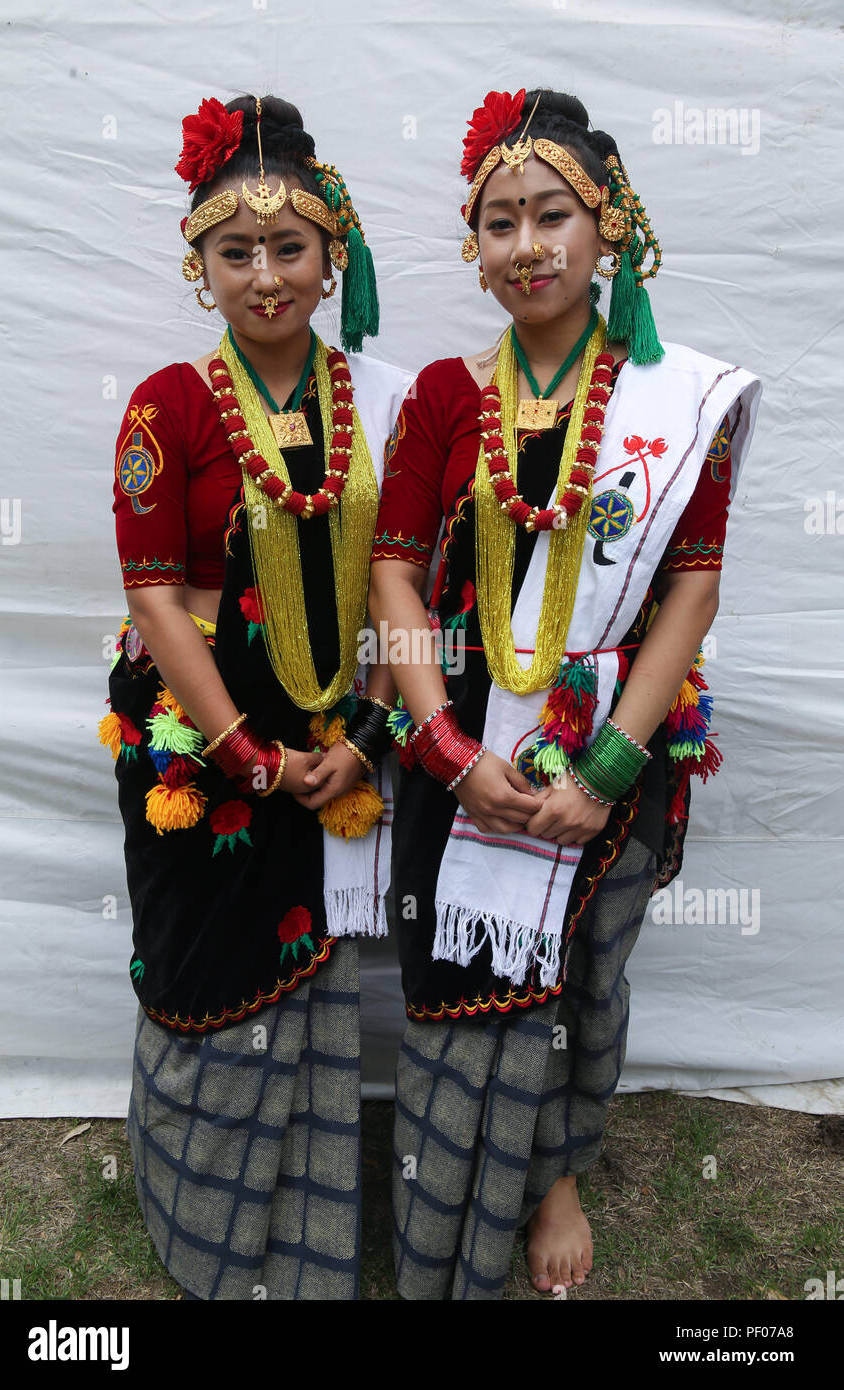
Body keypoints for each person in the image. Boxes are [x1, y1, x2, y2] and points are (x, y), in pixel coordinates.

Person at [368, 87, 761, 1301]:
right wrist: (440, 744)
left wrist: (602, 773)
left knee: (585, 971)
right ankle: (440, 1191)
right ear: (474, 248)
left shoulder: (672, 405)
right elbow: (393, 569)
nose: (524, 245)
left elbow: (686, 597)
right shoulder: (445, 395)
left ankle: (552, 1178)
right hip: (458, 732)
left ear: (609, 230)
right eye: (498, 222)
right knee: (449, 964)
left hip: (611, 736)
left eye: (551, 215)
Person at [99, 92, 411, 1300]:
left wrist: (365, 736)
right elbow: (157, 597)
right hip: (202, 753)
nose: (266, 276)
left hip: (331, 748)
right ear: (200, 267)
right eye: (237, 252)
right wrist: (248, 758)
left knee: (318, 975)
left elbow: (400, 580)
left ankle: (311, 1239)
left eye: (289, 248)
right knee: (204, 973)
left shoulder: (373, 403)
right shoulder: (165, 407)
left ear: (334, 254)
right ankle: (208, 1236)